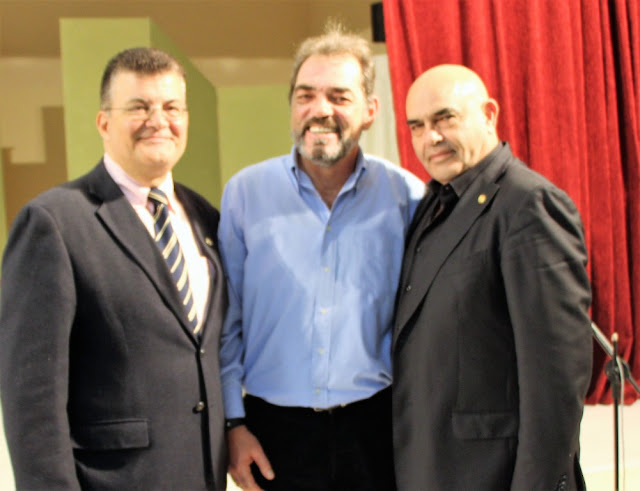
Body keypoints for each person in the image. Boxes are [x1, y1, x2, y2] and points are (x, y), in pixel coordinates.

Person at [0, 47, 228, 490]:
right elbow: (33, 400)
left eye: (172, 107)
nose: (158, 121)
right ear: (104, 122)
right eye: (139, 107)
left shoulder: (207, 218)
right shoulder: (54, 223)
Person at [218, 25, 425, 491]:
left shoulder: (406, 197)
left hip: (377, 429)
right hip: (274, 434)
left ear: (371, 110)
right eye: (306, 95)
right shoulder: (245, 194)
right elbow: (227, 322)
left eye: (339, 96)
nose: (320, 110)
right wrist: (233, 422)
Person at [392, 64, 593, 490]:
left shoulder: (528, 204)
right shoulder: (431, 206)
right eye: (417, 126)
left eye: (445, 118)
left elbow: (555, 379)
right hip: (433, 470)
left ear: (489, 114)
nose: (430, 138)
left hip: (495, 477)